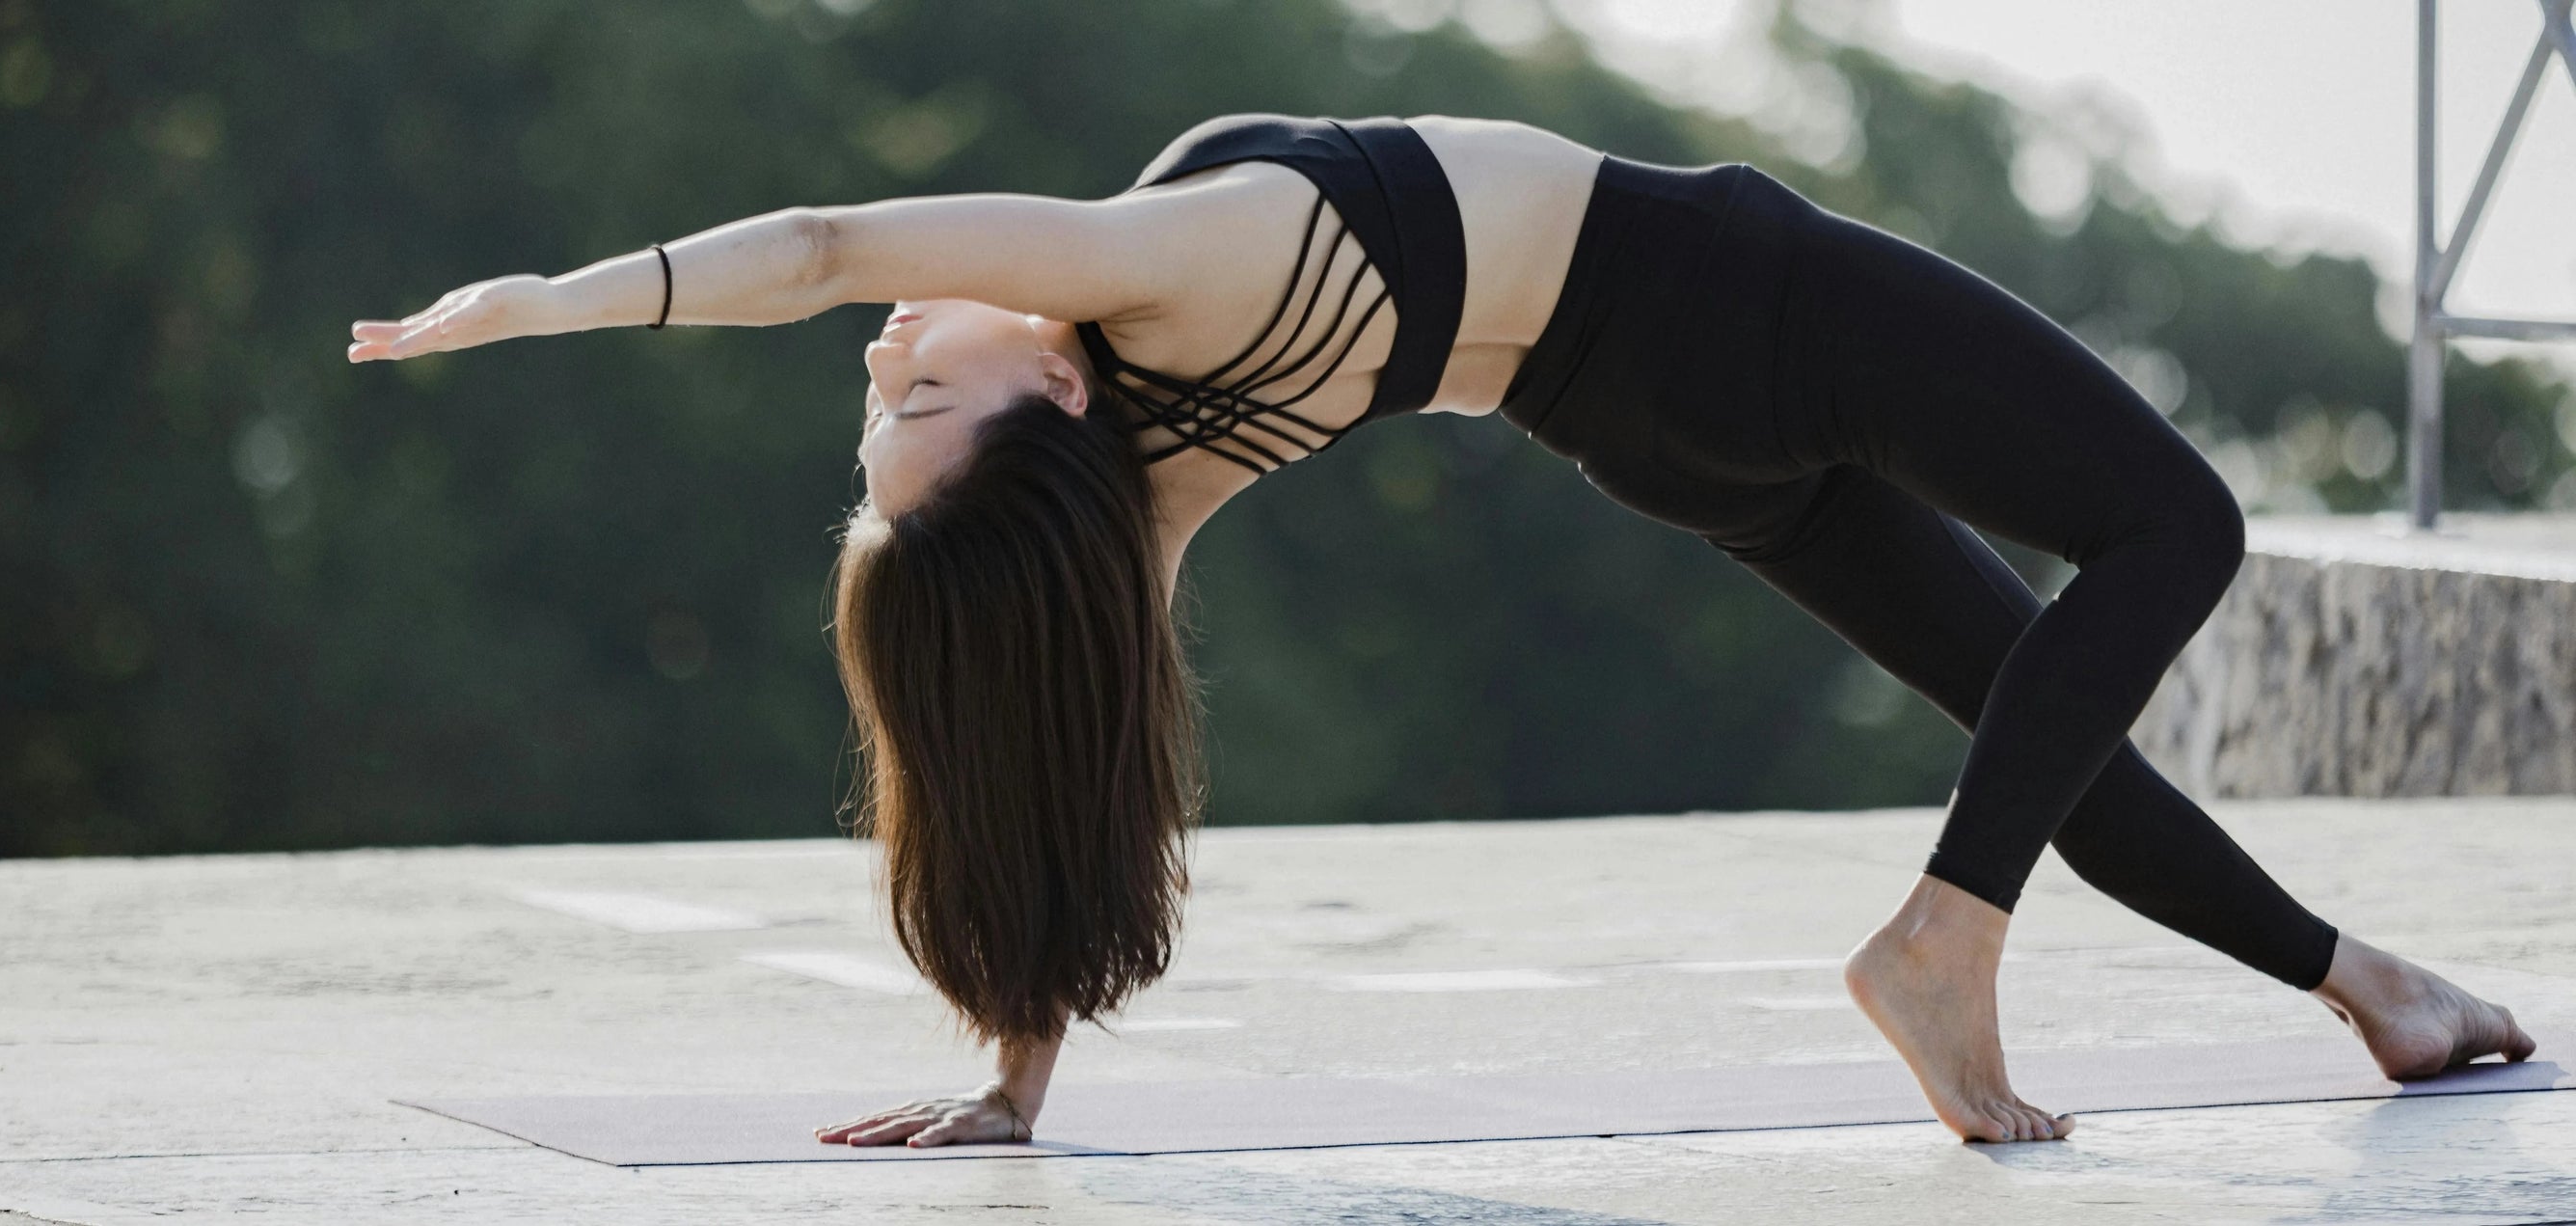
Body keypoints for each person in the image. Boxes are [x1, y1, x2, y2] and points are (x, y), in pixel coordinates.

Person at [347, 114, 2536, 1147]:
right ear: (1044, 405)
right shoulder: (1148, 268)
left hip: (1647, 440)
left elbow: (1073, 767)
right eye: (922, 401)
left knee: (2039, 719)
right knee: (2173, 523)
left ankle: (2371, 989)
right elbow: (822, 231)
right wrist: (553, 301)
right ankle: (1945, 945)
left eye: (878, 413)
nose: (884, 364)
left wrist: (1014, 1081)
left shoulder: (1162, 469)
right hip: (1727, 306)